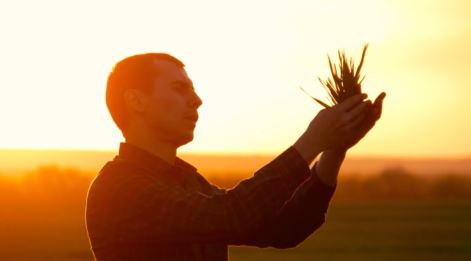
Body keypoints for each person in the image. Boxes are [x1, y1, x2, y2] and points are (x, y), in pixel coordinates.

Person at [85, 53, 385, 260]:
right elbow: (229, 215)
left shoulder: (189, 183)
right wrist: (311, 142)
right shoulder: (119, 188)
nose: (197, 100)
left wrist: (335, 148)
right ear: (136, 100)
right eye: (179, 88)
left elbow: (285, 228)